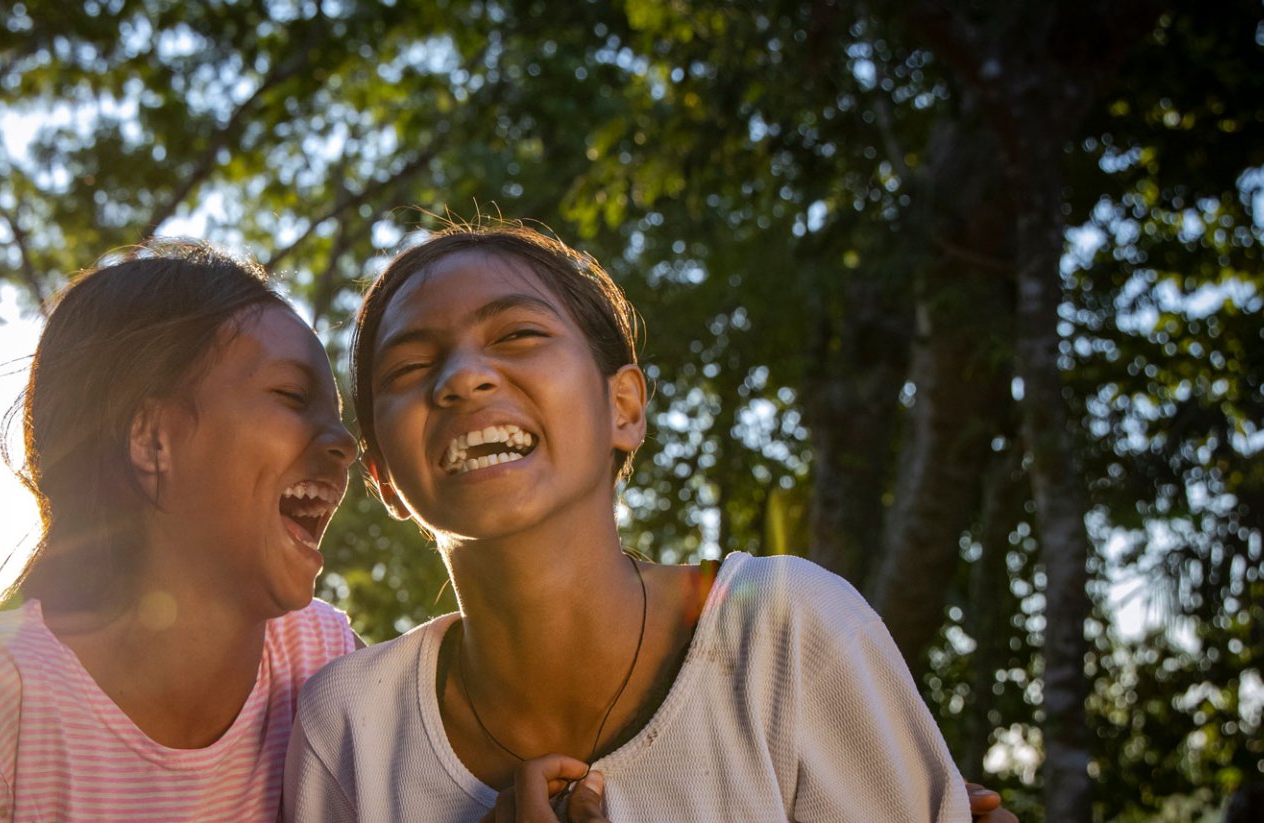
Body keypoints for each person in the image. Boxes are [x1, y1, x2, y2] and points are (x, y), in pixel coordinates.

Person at [284, 223, 1000, 822]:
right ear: (382, 477)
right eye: (409, 366)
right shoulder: (348, 730)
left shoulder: (787, 636)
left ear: (624, 408)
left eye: (518, 334)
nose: (462, 378)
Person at [0, 241, 360, 821]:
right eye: (291, 397)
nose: (345, 445)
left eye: (337, 416)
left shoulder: (323, 659)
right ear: (153, 440)